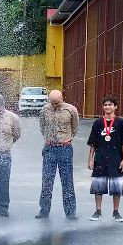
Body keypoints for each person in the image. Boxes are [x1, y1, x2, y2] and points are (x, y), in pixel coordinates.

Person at [35, 89, 79, 220]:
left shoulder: (71, 110)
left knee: (67, 181)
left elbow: (75, 127)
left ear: (62, 99)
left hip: (65, 149)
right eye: (52, 102)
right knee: (47, 181)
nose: (54, 105)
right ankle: (44, 210)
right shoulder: (44, 110)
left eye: (57, 103)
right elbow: (42, 127)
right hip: (49, 149)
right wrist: (49, 140)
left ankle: (70, 212)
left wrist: (65, 139)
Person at [88, 96, 123, 222]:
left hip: (116, 159)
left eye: (110, 104)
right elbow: (92, 144)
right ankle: (98, 211)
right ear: (103, 107)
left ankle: (116, 212)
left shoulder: (121, 123)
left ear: (115, 107)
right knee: (98, 187)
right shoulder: (97, 123)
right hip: (100, 159)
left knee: (117, 187)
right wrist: (90, 159)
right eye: (105, 105)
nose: (107, 107)